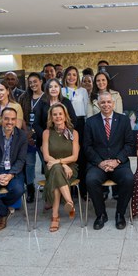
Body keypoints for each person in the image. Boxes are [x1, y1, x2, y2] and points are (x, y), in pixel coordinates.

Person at [84, 91, 135, 230]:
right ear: (98, 104)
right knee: (91, 180)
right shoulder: (90, 122)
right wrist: (100, 162)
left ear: (113, 103)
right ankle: (101, 214)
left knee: (129, 179)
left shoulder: (123, 120)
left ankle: (120, 214)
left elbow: (129, 144)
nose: (106, 105)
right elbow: (87, 147)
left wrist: (117, 160)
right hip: (98, 164)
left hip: (119, 164)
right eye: (102, 102)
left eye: (108, 102)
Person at [41, 104, 79, 232]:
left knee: (56, 178)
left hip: (70, 169)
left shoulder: (73, 133)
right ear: (51, 117)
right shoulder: (46, 133)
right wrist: (62, 164)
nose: (58, 117)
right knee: (57, 171)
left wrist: (62, 163)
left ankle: (55, 217)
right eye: (55, 114)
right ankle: (69, 202)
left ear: (65, 116)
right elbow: (46, 157)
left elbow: (74, 157)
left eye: (60, 114)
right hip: (52, 167)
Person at [62, 66, 90, 197]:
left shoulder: (82, 91)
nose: (71, 77)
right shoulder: (61, 91)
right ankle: (69, 189)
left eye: (74, 75)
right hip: (65, 124)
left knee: (81, 157)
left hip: (80, 124)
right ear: (65, 76)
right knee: (68, 156)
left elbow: (86, 109)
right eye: (69, 74)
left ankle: (83, 190)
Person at [33, 78, 77, 152]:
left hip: (64, 138)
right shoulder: (42, 103)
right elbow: (36, 124)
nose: (53, 89)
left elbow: (74, 121)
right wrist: (46, 136)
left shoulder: (66, 102)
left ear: (60, 88)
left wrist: (65, 134)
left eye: (56, 86)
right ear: (47, 89)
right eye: (50, 87)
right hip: (46, 139)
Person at [19, 72, 43, 203]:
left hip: (42, 132)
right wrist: (26, 132)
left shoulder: (46, 97)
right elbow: (20, 115)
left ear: (41, 81)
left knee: (46, 161)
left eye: (35, 81)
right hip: (26, 132)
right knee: (29, 163)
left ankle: (50, 189)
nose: (33, 84)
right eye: (31, 82)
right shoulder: (24, 97)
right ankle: (30, 188)